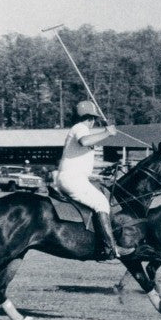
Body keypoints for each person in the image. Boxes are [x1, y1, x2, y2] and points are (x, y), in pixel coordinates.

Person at [54, 100, 133, 259]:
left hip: (74, 178)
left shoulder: (81, 130)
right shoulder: (80, 128)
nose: (94, 122)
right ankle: (111, 248)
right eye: (94, 119)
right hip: (72, 180)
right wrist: (106, 132)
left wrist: (106, 169)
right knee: (101, 202)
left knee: (100, 197)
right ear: (90, 118)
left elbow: (82, 160)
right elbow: (85, 141)